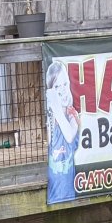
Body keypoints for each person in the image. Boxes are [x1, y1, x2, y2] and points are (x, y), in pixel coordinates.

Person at [45, 60, 79, 203]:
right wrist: (53, 107)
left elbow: (70, 135)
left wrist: (57, 108)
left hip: (68, 184)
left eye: (65, 84)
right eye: (57, 86)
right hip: (55, 182)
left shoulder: (72, 114)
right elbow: (50, 140)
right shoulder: (51, 116)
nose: (63, 89)